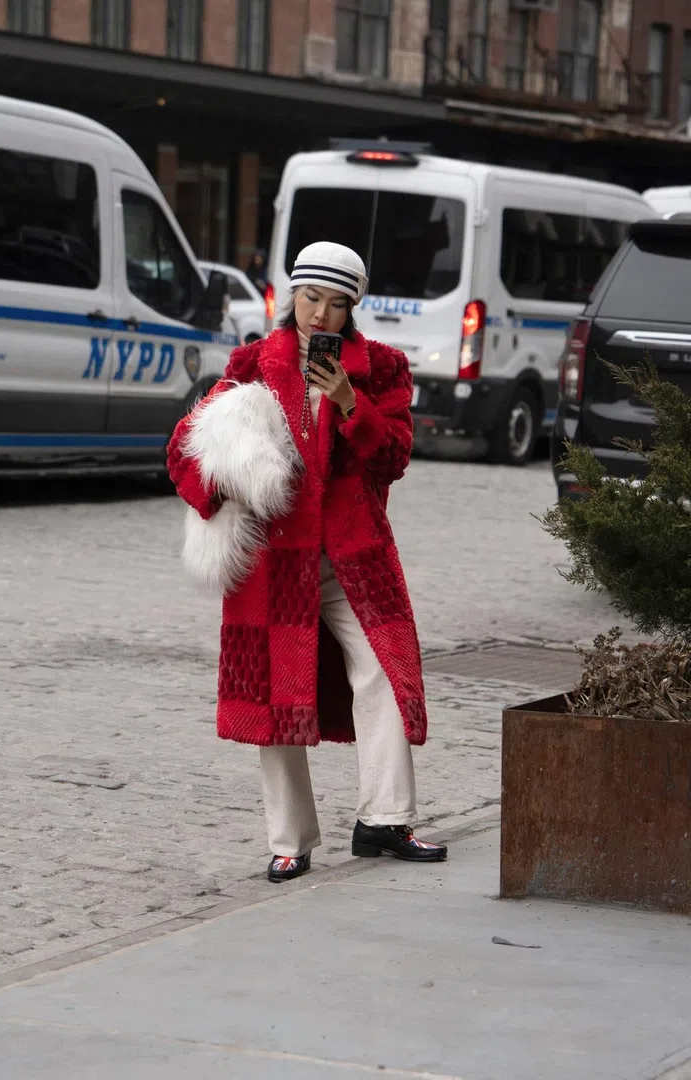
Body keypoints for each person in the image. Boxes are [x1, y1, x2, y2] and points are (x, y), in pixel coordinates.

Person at [167, 241, 446, 883]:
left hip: (355, 556)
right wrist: (233, 482)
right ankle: (290, 839)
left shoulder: (382, 368)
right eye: (310, 297)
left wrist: (349, 401)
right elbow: (184, 453)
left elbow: (392, 459)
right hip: (274, 562)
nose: (320, 314)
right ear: (291, 295)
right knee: (276, 698)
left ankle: (385, 820)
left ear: (353, 309)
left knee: (385, 672)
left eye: (336, 303)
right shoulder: (251, 364)